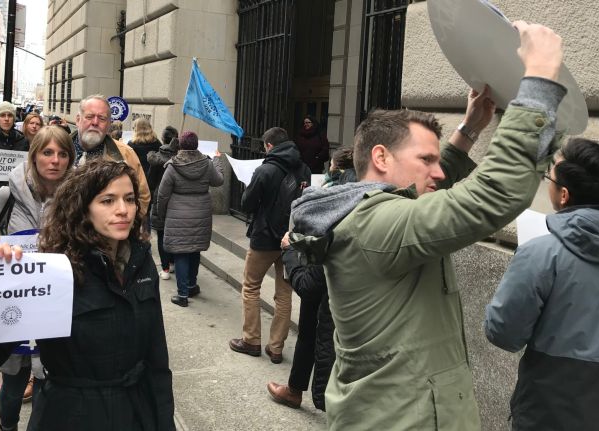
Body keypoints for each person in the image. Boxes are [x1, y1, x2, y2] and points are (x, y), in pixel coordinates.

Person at [287, 22, 566, 430]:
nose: (438, 172)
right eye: (426, 160)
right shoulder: (378, 224)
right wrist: (538, 79)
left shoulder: (360, 210)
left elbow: (427, 190)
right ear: (381, 158)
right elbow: (493, 194)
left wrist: (468, 132)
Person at [0, 159, 176, 430]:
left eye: (129, 199)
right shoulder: (52, 270)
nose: (123, 210)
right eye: (107, 201)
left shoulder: (141, 261)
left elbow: (157, 359)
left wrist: (164, 421)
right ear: (83, 208)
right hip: (68, 415)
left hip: (136, 414)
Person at [484, 138, 599, 431]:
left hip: (547, 414)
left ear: (563, 195)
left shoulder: (539, 253)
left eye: (550, 178)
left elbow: (504, 334)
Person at [0, 126, 73, 431]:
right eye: (47, 152)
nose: (55, 160)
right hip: (15, 311)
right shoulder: (8, 193)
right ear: (34, 156)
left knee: (51, 386)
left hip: (57, 310)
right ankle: (7, 427)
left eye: (63, 154)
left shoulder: (78, 198)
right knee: (12, 388)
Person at [267, 149, 355, 411]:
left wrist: (290, 250)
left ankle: (324, 400)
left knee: (324, 340)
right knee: (308, 332)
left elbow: (307, 285)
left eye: (331, 166)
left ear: (338, 170)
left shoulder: (337, 207)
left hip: (326, 281)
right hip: (326, 281)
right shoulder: (340, 195)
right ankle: (295, 389)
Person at [228, 127, 311, 364]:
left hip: (264, 237)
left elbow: (247, 204)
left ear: (269, 146)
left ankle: (251, 340)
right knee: (284, 294)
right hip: (290, 238)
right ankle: (276, 347)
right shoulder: (304, 169)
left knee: (251, 286)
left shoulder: (264, 170)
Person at [153, 131, 223, 306]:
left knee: (181, 252)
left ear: (181, 145)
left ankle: (182, 295)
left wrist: (161, 214)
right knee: (194, 250)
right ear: (197, 145)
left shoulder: (173, 166)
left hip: (177, 215)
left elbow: (162, 194)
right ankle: (192, 286)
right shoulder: (207, 164)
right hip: (200, 214)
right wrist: (217, 161)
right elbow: (219, 180)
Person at [72, 94, 150, 221]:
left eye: (102, 118)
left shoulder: (125, 154)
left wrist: (125, 225)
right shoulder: (58, 150)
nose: (95, 122)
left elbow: (142, 196)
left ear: (109, 124)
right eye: (89, 117)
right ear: (78, 119)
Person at [147, 127, 179, 280]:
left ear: (163, 138)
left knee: (161, 234)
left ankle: (165, 268)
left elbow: (150, 181)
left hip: (159, 199)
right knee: (173, 233)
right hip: (176, 200)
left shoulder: (157, 159)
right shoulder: (180, 159)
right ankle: (172, 262)